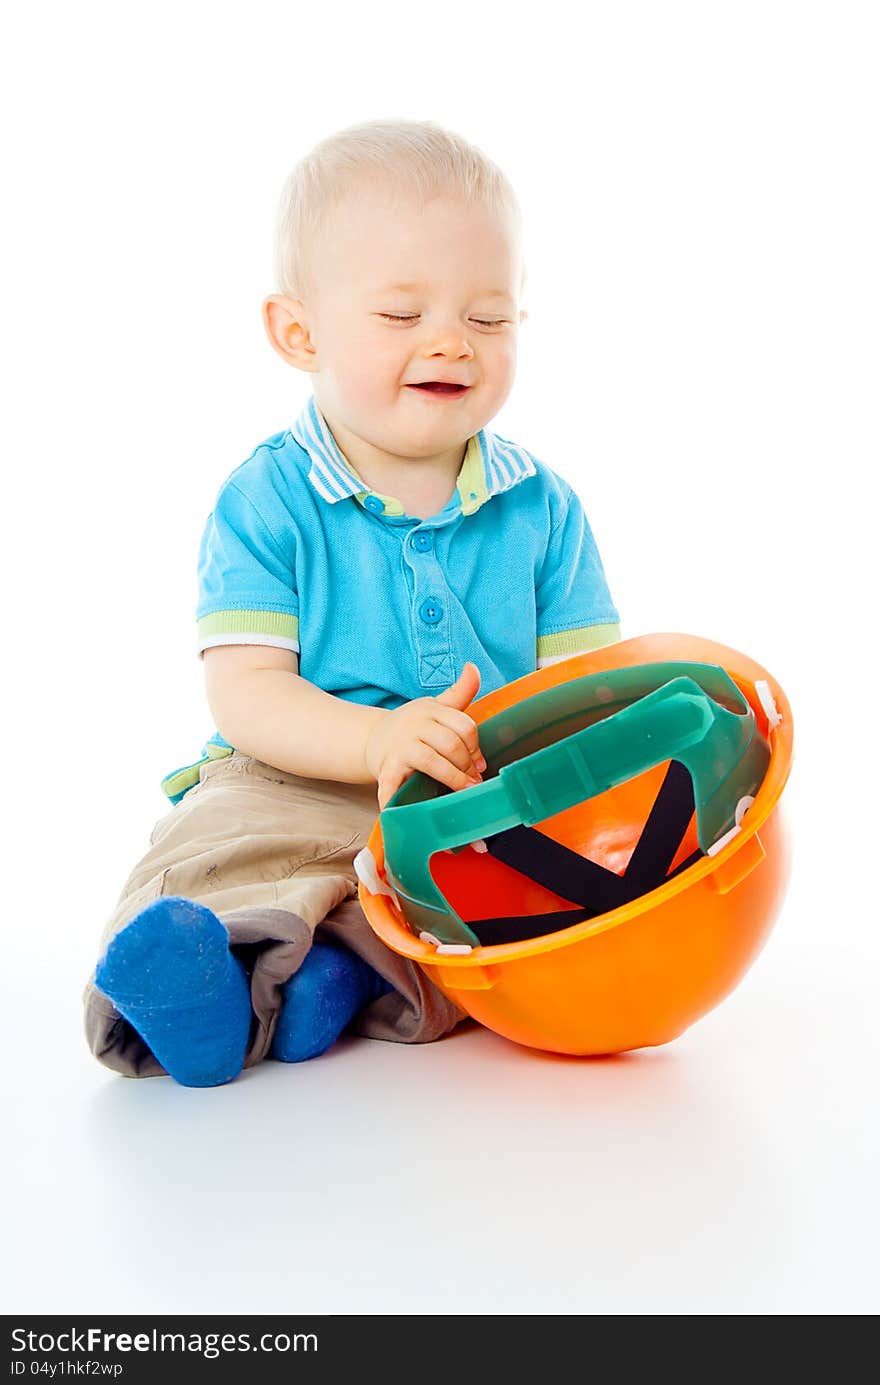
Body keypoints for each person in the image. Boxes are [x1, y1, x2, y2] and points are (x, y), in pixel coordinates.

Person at [82, 117, 621, 1087]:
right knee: (219, 848)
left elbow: (586, 688)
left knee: (505, 916)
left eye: (489, 317)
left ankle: (331, 977)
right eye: (402, 314)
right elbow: (245, 691)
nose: (452, 339)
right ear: (300, 332)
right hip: (290, 772)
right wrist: (371, 745)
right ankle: (196, 987)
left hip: (467, 789)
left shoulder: (543, 507)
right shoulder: (266, 498)